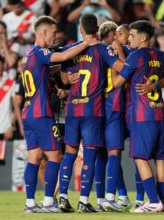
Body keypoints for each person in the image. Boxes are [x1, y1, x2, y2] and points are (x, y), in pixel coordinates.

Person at [20, 15, 95, 213]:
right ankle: (48, 202)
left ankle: (29, 204)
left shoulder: (28, 56)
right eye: (53, 33)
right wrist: (86, 43)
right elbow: (62, 56)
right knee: (55, 156)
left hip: (28, 113)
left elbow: (43, 71)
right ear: (43, 32)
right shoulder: (42, 52)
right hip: (42, 113)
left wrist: (56, 75)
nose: (56, 36)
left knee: (34, 158)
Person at [58, 13, 123, 213]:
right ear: (97, 29)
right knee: (89, 156)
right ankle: (84, 200)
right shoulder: (103, 50)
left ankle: (62, 197)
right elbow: (122, 67)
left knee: (69, 154)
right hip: (92, 111)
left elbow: (65, 79)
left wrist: (69, 79)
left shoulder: (70, 49)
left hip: (72, 109)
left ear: (81, 29)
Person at [111, 20, 164, 213]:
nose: (129, 37)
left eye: (132, 35)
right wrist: (155, 86)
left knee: (140, 157)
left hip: (143, 115)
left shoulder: (136, 57)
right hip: (159, 112)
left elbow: (118, 83)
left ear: (143, 38)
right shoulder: (160, 56)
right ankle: (161, 202)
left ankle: (153, 201)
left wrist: (112, 61)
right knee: (159, 159)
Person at [93, 21, 130, 212]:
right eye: (121, 34)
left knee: (102, 154)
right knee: (114, 152)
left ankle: (112, 197)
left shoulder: (95, 51)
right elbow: (125, 71)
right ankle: (109, 197)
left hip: (96, 107)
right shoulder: (114, 50)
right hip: (113, 104)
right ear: (113, 35)